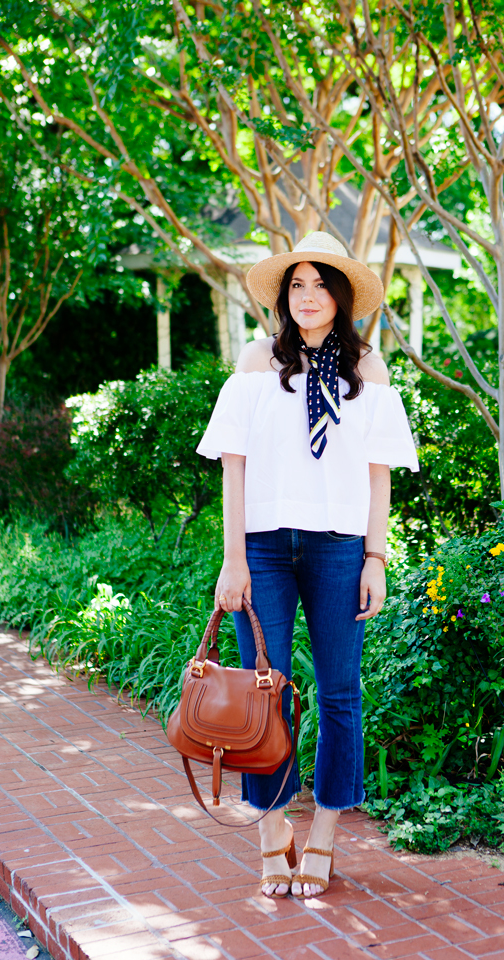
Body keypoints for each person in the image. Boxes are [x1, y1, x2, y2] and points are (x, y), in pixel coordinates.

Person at [196, 232, 418, 898]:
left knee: (340, 691)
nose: (309, 296)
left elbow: (379, 475)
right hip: (263, 546)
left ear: (342, 296)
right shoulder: (256, 361)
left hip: (338, 546)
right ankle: (271, 830)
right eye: (297, 285)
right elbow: (233, 466)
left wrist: (375, 556)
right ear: (283, 295)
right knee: (265, 693)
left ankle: (323, 829)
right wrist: (233, 558)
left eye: (322, 285)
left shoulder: (369, 370)